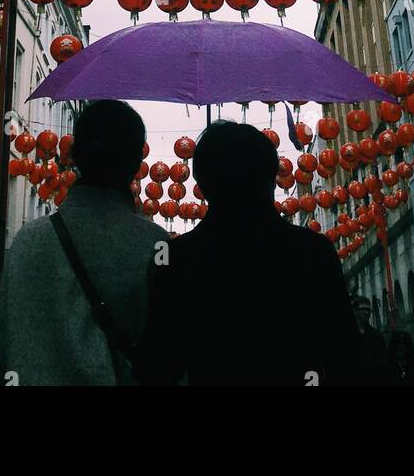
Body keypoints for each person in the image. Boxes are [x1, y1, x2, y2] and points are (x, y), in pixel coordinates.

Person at [135, 121, 368, 386]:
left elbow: (158, 363)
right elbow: (346, 356)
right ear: (271, 177)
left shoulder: (179, 259)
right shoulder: (311, 252)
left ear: (203, 182)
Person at [0, 99, 168, 386]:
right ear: (136, 163)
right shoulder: (154, 245)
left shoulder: (27, 241)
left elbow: (1, 348)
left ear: (73, 153)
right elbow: (165, 356)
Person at [352, 295, 400, 385]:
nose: (366, 313)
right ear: (355, 312)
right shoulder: (349, 336)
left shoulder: (376, 336)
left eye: (368, 310)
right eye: (363, 309)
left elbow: (384, 361)